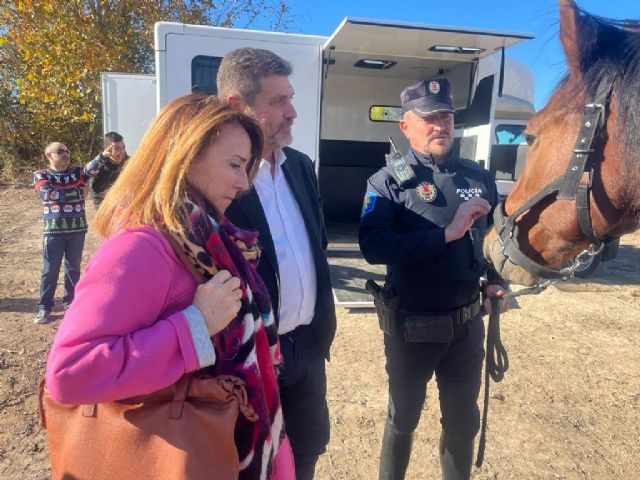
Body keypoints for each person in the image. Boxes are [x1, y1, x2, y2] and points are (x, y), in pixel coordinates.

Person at [45, 94, 294, 480]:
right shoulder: (143, 246)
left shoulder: (214, 240)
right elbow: (69, 373)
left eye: (246, 168)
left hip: (230, 447)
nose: (243, 182)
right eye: (234, 165)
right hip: (181, 457)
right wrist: (196, 325)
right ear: (186, 155)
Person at [358, 78, 509, 480]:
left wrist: (496, 281)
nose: (440, 125)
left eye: (446, 116)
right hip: (411, 327)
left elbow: (491, 242)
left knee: (462, 422)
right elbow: (373, 246)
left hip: (466, 329)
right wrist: (444, 235)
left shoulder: (479, 178)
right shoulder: (387, 181)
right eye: (429, 118)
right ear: (407, 126)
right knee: (403, 418)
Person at [219, 47, 337, 480]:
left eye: (290, 98)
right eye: (278, 102)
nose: (292, 112)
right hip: (250, 359)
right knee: (246, 464)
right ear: (237, 106)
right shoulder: (214, 176)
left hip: (306, 347)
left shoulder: (300, 166)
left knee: (307, 449)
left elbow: (316, 246)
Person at [33, 142, 115, 324]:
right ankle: (44, 307)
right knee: (50, 270)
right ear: (49, 156)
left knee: (73, 269)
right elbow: (48, 194)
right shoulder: (41, 175)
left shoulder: (77, 173)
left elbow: (89, 169)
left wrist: (103, 155)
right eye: (61, 151)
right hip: (53, 231)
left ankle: (70, 303)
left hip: (77, 229)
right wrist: (78, 191)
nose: (66, 154)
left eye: (67, 151)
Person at [89, 131, 128, 207]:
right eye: (117, 148)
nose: (121, 152)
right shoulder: (98, 167)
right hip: (107, 208)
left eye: (123, 147)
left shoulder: (130, 163)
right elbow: (96, 196)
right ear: (107, 149)